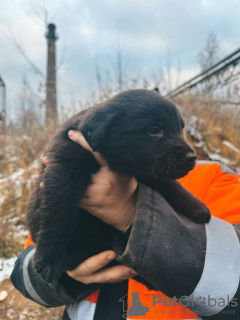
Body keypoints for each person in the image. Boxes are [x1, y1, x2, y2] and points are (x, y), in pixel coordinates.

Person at [11, 130, 240, 320]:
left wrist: (131, 214)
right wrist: (66, 273)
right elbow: (26, 274)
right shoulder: (80, 174)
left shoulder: (212, 177)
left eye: (158, 131)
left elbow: (232, 289)